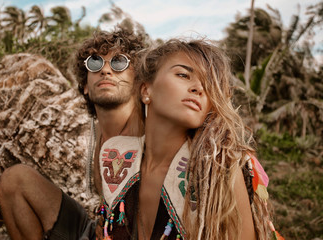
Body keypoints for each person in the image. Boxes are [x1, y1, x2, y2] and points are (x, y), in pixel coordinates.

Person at [96, 39, 284, 239]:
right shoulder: (116, 154)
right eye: (183, 75)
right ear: (146, 90)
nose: (198, 88)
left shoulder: (218, 169)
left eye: (209, 83)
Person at [0, 28, 146, 240]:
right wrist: (105, 221)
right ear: (85, 86)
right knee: (15, 180)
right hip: (97, 231)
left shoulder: (150, 128)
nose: (106, 70)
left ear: (138, 82)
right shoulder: (98, 134)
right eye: (95, 64)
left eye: (119, 63)